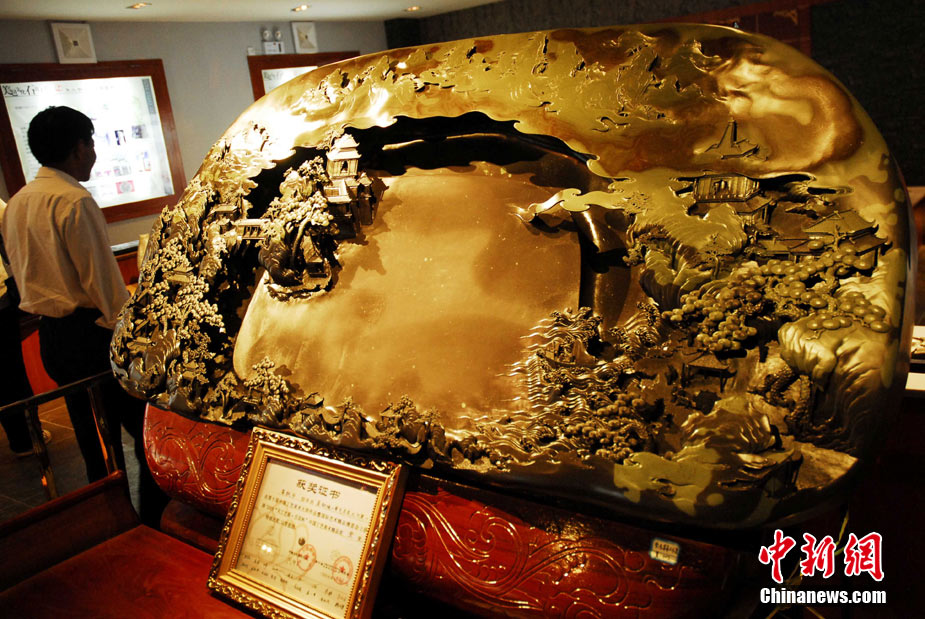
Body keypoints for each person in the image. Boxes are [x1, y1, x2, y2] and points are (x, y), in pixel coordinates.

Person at [0, 106, 166, 525]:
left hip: (51, 336)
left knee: (93, 438)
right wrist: (133, 332)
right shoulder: (73, 200)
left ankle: (109, 518)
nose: (93, 152)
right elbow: (103, 285)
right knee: (142, 429)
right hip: (90, 335)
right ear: (78, 148)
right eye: (91, 143)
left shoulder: (17, 203)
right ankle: (150, 518)